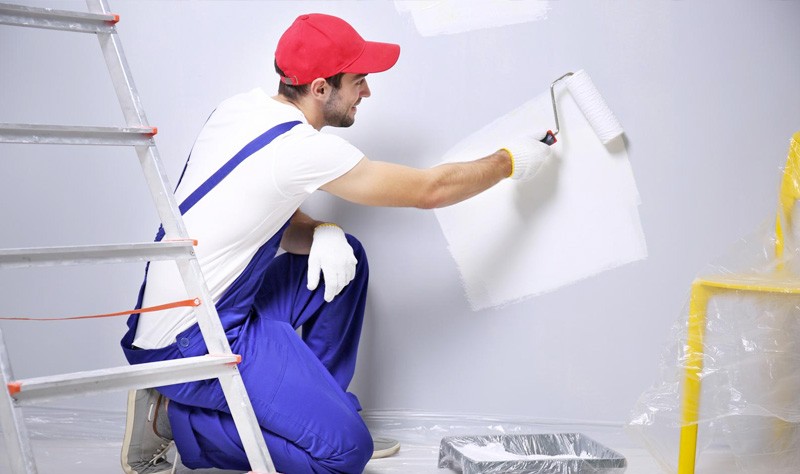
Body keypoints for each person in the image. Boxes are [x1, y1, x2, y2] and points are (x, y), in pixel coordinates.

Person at [119, 12, 552, 474]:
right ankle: (172, 420)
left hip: (198, 310)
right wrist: (511, 160)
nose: (367, 92)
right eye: (359, 81)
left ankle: (317, 411)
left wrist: (320, 230)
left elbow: (255, 208)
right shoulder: (302, 148)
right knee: (343, 454)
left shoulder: (237, 110)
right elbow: (432, 191)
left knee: (346, 259)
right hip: (192, 343)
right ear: (321, 88)